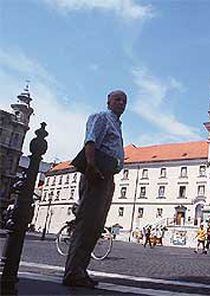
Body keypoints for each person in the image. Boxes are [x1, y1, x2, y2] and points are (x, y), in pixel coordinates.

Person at [62, 90, 127, 288]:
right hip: (96, 175)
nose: (121, 103)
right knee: (86, 224)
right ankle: (73, 272)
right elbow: (90, 141)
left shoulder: (116, 124)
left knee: (96, 227)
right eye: (117, 99)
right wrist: (91, 166)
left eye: (124, 100)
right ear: (108, 101)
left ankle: (81, 270)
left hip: (107, 177)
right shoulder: (101, 117)